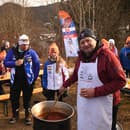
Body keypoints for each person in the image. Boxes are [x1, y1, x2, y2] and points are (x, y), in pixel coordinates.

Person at [59, 28, 126, 130]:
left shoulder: (107, 56)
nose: (85, 44)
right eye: (82, 42)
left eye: (88, 40)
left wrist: (95, 92)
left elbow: (121, 81)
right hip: (85, 103)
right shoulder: (80, 58)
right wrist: (65, 84)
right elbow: (75, 75)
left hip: (105, 105)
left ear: (95, 40)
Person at [4, 34, 40, 125]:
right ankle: (15, 115)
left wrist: (34, 78)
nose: (25, 47)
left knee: (27, 98)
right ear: (19, 44)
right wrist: (15, 63)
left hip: (27, 80)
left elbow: (37, 64)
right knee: (14, 98)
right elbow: (5, 63)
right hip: (15, 80)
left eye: (27, 45)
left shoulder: (31, 52)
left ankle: (27, 116)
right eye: (23, 45)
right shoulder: (12, 51)